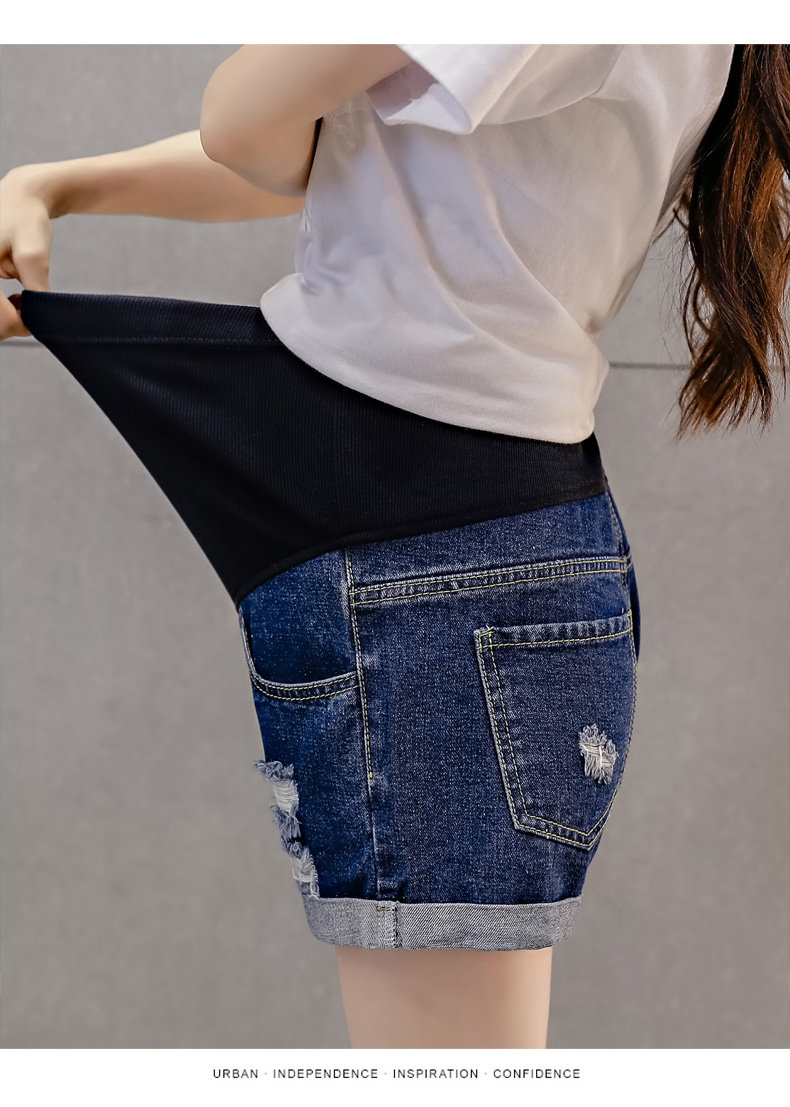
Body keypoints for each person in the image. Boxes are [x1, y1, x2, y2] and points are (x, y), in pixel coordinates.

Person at [1, 44, 788, 1050]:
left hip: (440, 590)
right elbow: (329, 155)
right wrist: (57, 185)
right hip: (457, 572)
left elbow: (244, 119)